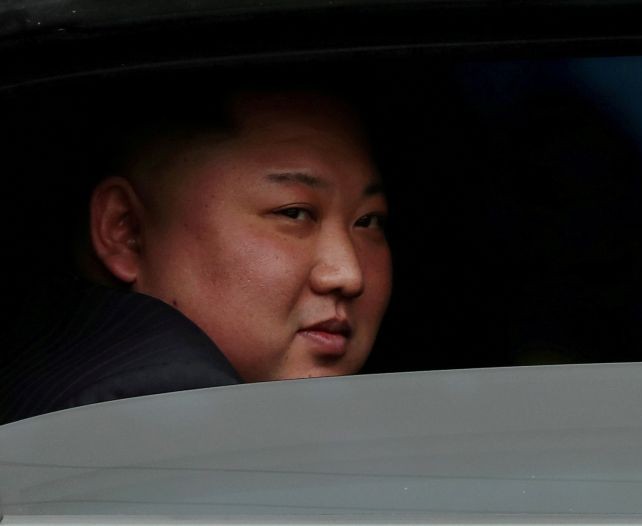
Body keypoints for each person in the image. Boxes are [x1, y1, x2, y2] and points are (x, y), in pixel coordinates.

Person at [1, 89, 392, 423]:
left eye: (368, 220)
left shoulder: (56, 355)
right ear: (127, 231)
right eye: (293, 213)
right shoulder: (157, 409)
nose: (348, 274)